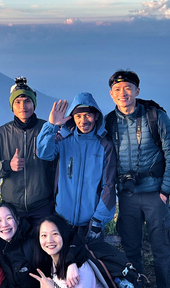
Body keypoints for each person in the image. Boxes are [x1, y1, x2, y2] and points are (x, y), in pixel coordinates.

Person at [105, 70, 170, 288]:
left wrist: (165, 190)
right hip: (126, 196)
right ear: (111, 94)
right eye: (117, 90)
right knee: (131, 254)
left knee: (161, 252)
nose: (123, 94)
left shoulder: (155, 116)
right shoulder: (108, 122)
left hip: (154, 194)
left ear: (137, 91)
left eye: (128, 88)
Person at [36, 92, 116, 242]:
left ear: (97, 116)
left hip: (91, 222)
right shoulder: (63, 140)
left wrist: (98, 220)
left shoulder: (104, 145)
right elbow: (43, 153)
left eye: (88, 115)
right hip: (62, 218)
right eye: (78, 116)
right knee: (63, 263)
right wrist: (52, 125)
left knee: (91, 262)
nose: (83, 121)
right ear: (72, 118)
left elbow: (109, 185)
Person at [0, 77, 55, 225]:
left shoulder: (46, 130)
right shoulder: (1, 133)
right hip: (12, 208)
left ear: (34, 104)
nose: (23, 106)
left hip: (42, 206)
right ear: (12, 106)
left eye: (27, 101)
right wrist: (7, 165)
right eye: (17, 102)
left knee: (42, 246)